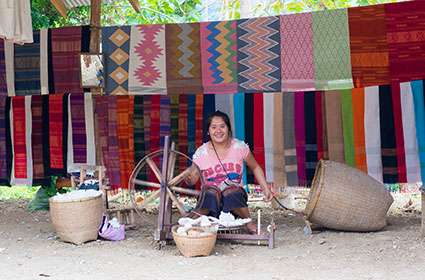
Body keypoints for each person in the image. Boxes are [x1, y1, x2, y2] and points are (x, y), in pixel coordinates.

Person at [185, 110, 273, 234]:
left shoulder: (239, 147)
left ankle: (248, 222)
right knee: (210, 192)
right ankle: (191, 220)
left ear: (229, 129)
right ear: (208, 131)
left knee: (232, 191)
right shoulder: (201, 152)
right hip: (210, 204)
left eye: (222, 126)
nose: (218, 131)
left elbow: (255, 167)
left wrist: (265, 188)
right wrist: (189, 179)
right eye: (214, 127)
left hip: (235, 204)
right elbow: (192, 178)